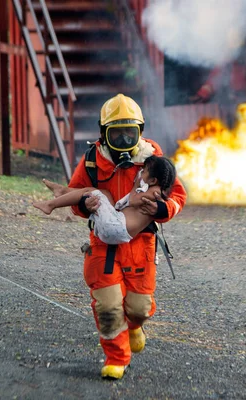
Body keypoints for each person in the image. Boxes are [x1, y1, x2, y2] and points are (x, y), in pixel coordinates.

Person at [68, 93, 187, 380]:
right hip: (104, 246)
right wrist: (84, 205)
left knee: (139, 308)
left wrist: (162, 208)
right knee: (108, 306)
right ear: (103, 133)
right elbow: (75, 196)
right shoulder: (92, 162)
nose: (123, 141)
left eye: (129, 134)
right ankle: (116, 358)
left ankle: (134, 326)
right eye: (116, 134)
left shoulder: (155, 161)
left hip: (140, 245)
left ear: (140, 133)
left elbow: (178, 196)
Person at [32, 155, 177, 244]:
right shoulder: (155, 189)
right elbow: (124, 205)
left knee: (94, 192)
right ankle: (63, 191)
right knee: (104, 193)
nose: (140, 172)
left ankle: (51, 204)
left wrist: (136, 185)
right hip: (116, 226)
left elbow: (132, 201)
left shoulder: (153, 193)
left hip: (116, 228)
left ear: (153, 180)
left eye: (143, 171)